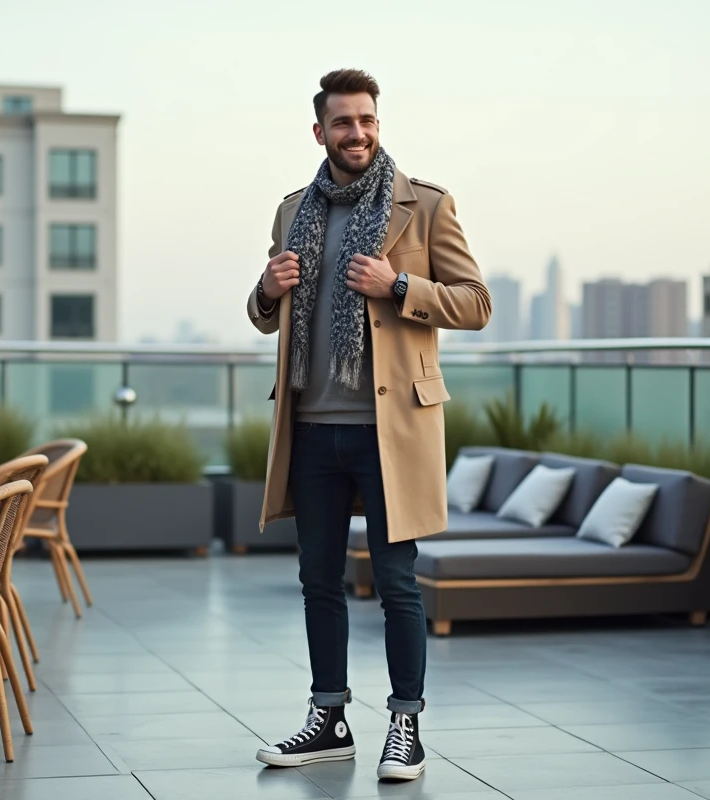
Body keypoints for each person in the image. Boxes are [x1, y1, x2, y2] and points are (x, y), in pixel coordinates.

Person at [247, 68, 490, 782]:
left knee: (396, 581)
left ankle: (406, 727)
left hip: (394, 428)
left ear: (378, 125)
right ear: (319, 131)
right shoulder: (292, 209)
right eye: (344, 123)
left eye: (368, 121)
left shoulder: (426, 205)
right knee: (317, 578)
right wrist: (266, 290)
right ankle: (329, 719)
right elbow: (266, 313)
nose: (358, 133)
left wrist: (400, 287)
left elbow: (475, 303)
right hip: (313, 424)